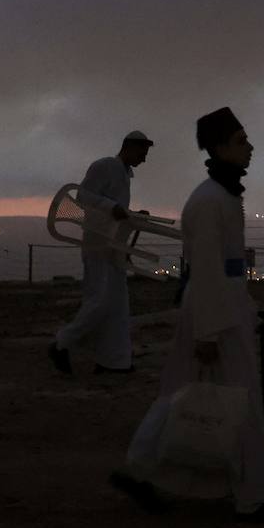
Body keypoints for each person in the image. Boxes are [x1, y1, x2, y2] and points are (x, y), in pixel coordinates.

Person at [112, 107, 264, 524]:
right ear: (219, 148)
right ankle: (254, 495)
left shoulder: (220, 195)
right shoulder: (210, 200)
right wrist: (210, 331)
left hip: (218, 306)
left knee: (180, 391)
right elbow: (210, 269)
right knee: (241, 397)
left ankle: (140, 469)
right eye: (241, 141)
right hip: (214, 310)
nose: (250, 147)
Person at [48, 130, 155, 375]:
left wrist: (132, 215)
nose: (144, 158)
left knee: (117, 305)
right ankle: (61, 343)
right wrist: (113, 208)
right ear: (128, 147)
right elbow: (83, 196)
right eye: (142, 152)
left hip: (113, 246)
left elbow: (114, 210)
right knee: (100, 301)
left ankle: (113, 361)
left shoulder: (125, 174)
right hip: (98, 245)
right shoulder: (104, 166)